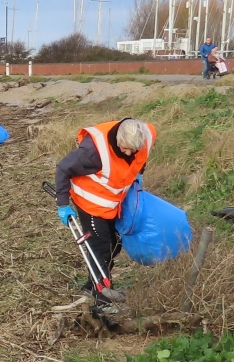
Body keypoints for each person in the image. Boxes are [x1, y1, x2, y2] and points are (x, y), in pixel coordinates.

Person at [54, 118, 157, 305]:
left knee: (116, 243)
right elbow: (63, 169)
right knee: (101, 247)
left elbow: (140, 158)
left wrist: (139, 173)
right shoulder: (93, 152)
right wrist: (62, 204)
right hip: (89, 202)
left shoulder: (147, 136)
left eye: (133, 150)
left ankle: (92, 283)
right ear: (118, 140)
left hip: (113, 202)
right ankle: (101, 297)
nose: (128, 153)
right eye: (125, 148)